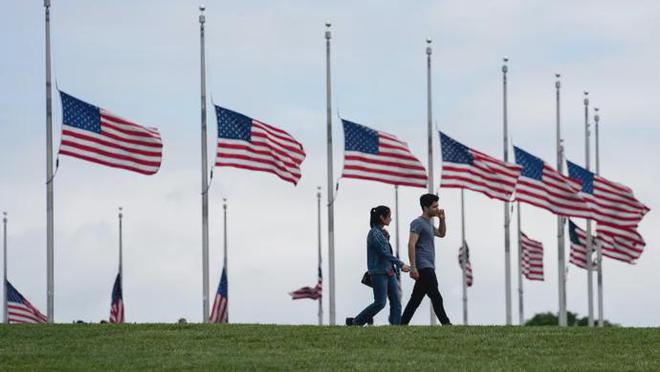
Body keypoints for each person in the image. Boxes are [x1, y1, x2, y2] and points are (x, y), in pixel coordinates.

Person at [346, 205, 410, 326]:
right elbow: (384, 253)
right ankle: (355, 322)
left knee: (396, 302)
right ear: (382, 217)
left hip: (389, 272)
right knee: (380, 302)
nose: (391, 219)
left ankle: (396, 328)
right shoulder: (374, 233)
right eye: (389, 216)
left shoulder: (381, 233)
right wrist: (401, 265)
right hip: (379, 272)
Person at [401, 193, 452, 325]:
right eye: (434, 207)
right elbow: (411, 244)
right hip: (423, 266)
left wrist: (442, 219)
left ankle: (401, 324)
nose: (437, 209)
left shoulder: (428, 224)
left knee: (415, 299)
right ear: (425, 207)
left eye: (437, 206)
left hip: (428, 265)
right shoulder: (417, 223)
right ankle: (446, 324)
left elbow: (442, 233)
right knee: (436, 295)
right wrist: (413, 267)